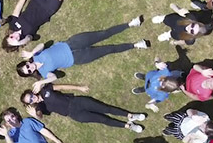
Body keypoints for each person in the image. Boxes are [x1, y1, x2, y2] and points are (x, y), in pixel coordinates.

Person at [17, 20, 148, 90]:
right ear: (30, 73)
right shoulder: (45, 72)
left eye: (27, 66)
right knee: (108, 49)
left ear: (27, 62)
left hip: (73, 43)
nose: (30, 68)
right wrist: (42, 82)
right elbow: (54, 77)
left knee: (103, 34)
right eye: (28, 71)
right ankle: (136, 45)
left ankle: (131, 24)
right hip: (78, 58)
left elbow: (42, 45)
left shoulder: (36, 55)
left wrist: (31, 52)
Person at [22, 83, 145, 133]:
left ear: (33, 92)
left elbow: (62, 87)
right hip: (75, 114)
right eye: (31, 100)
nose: (33, 98)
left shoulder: (44, 90)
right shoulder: (41, 107)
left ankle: (130, 115)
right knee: (102, 119)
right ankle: (128, 126)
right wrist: (35, 114)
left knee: (105, 108)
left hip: (77, 101)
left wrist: (79, 88)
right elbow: (40, 115)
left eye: (31, 96)